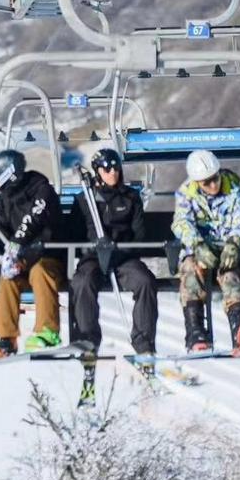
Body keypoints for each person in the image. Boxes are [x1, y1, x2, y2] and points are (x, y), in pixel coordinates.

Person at [0, 150, 65, 358]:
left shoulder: (41, 190)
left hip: (50, 256)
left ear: (7, 174)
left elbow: (33, 222)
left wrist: (17, 248)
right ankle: (6, 340)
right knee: (8, 278)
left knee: (40, 272)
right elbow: (4, 231)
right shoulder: (6, 199)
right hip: (23, 261)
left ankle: (47, 332)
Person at [69, 148, 158, 356]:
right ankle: (87, 340)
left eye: (116, 168)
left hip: (122, 257)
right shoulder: (85, 200)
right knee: (82, 282)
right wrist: (92, 247)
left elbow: (139, 234)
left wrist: (119, 250)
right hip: (93, 257)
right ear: (97, 171)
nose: (112, 173)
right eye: (107, 169)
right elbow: (73, 234)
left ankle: (144, 343)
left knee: (145, 281)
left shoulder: (130, 198)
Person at [171, 149, 240, 354]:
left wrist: (234, 242)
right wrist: (197, 245)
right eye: (206, 182)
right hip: (200, 249)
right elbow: (181, 223)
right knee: (191, 271)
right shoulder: (186, 193)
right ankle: (196, 333)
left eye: (215, 179)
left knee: (230, 276)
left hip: (227, 248)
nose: (213, 185)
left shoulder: (233, 189)